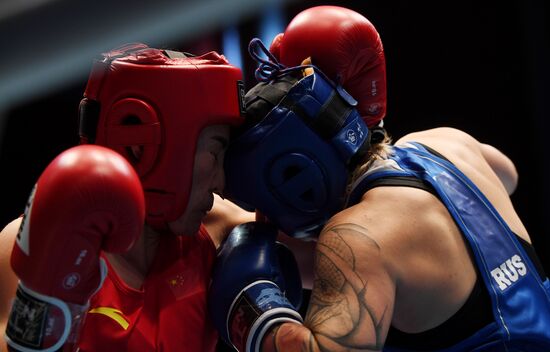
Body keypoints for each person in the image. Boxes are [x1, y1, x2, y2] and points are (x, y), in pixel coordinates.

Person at [208, 5, 550, 352]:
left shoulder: (357, 238)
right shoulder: (444, 143)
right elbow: (508, 174)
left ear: (296, 177)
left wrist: (252, 309)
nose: (268, 217)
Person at [0, 43, 255, 351]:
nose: (220, 182)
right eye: (215, 153)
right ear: (141, 148)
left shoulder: (216, 231)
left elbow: (314, 245)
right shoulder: (31, 241)